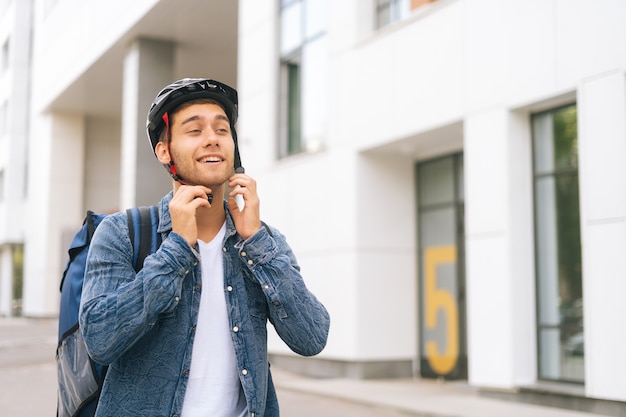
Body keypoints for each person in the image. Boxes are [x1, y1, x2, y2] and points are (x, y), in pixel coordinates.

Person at [79, 78, 330, 417]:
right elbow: (99, 340)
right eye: (194, 131)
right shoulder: (122, 233)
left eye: (222, 130)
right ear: (164, 151)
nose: (212, 138)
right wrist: (176, 250)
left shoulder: (262, 241)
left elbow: (312, 337)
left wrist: (256, 243)